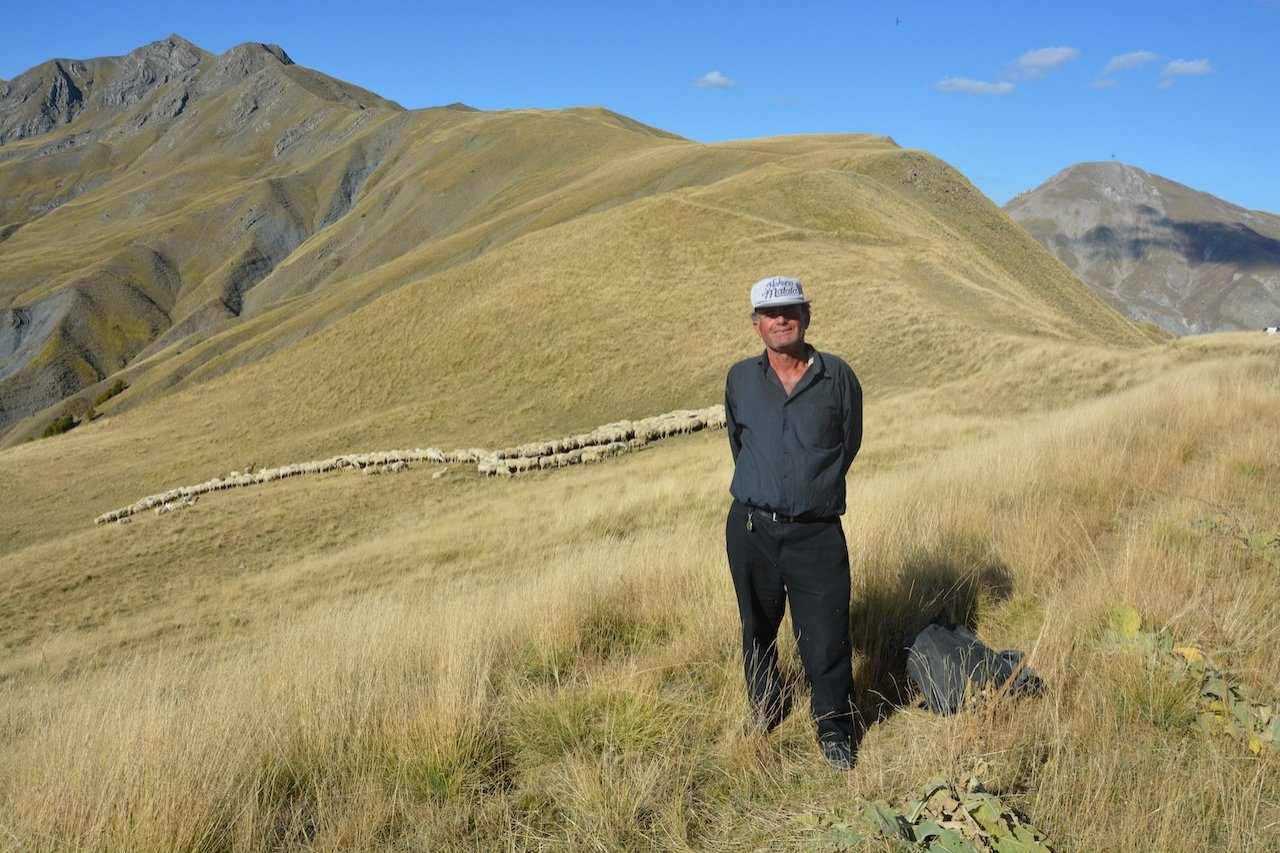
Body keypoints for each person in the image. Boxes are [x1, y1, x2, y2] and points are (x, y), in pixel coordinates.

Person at [723, 275, 863, 770]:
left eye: (790, 309)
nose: (780, 319)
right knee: (757, 627)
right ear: (756, 323)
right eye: (769, 312)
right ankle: (766, 707)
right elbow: (740, 446)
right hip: (752, 530)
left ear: (806, 314)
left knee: (826, 633)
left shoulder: (838, 377)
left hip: (817, 532)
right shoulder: (740, 379)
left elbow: (849, 442)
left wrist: (809, 491)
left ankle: (834, 726)